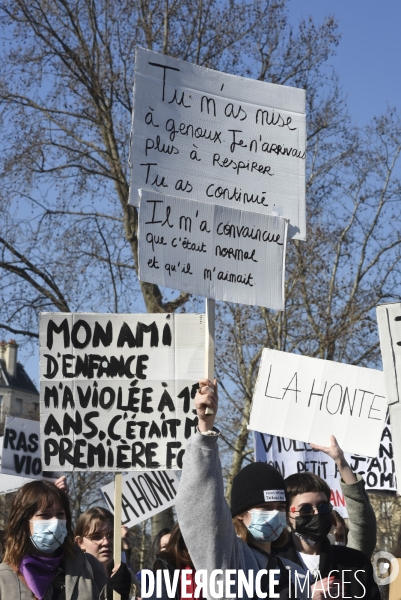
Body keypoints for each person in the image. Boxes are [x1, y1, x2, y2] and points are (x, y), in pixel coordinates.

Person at [176, 378, 312, 600]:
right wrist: (205, 431)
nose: (275, 514)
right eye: (265, 507)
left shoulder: (296, 574)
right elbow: (202, 509)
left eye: (280, 507)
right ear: (240, 513)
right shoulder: (229, 560)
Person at [0, 479, 129, 599]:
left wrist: (115, 595)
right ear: (23, 522)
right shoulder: (3, 578)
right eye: (44, 515)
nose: (55, 522)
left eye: (60, 514)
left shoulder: (88, 566)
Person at [275, 470, 381, 600]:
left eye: (323, 507)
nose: (316, 514)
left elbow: (363, 525)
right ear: (286, 516)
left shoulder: (355, 563)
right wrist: (306, 596)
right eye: (305, 509)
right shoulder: (271, 564)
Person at [310, 435, 377, 558]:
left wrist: (340, 460)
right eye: (330, 534)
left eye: (340, 536)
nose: (336, 541)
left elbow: (362, 523)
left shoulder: (351, 560)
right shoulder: (290, 563)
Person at [74, 507, 133, 598]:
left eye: (111, 535)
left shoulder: (130, 581)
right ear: (80, 542)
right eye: (96, 537)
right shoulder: (73, 583)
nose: (106, 542)